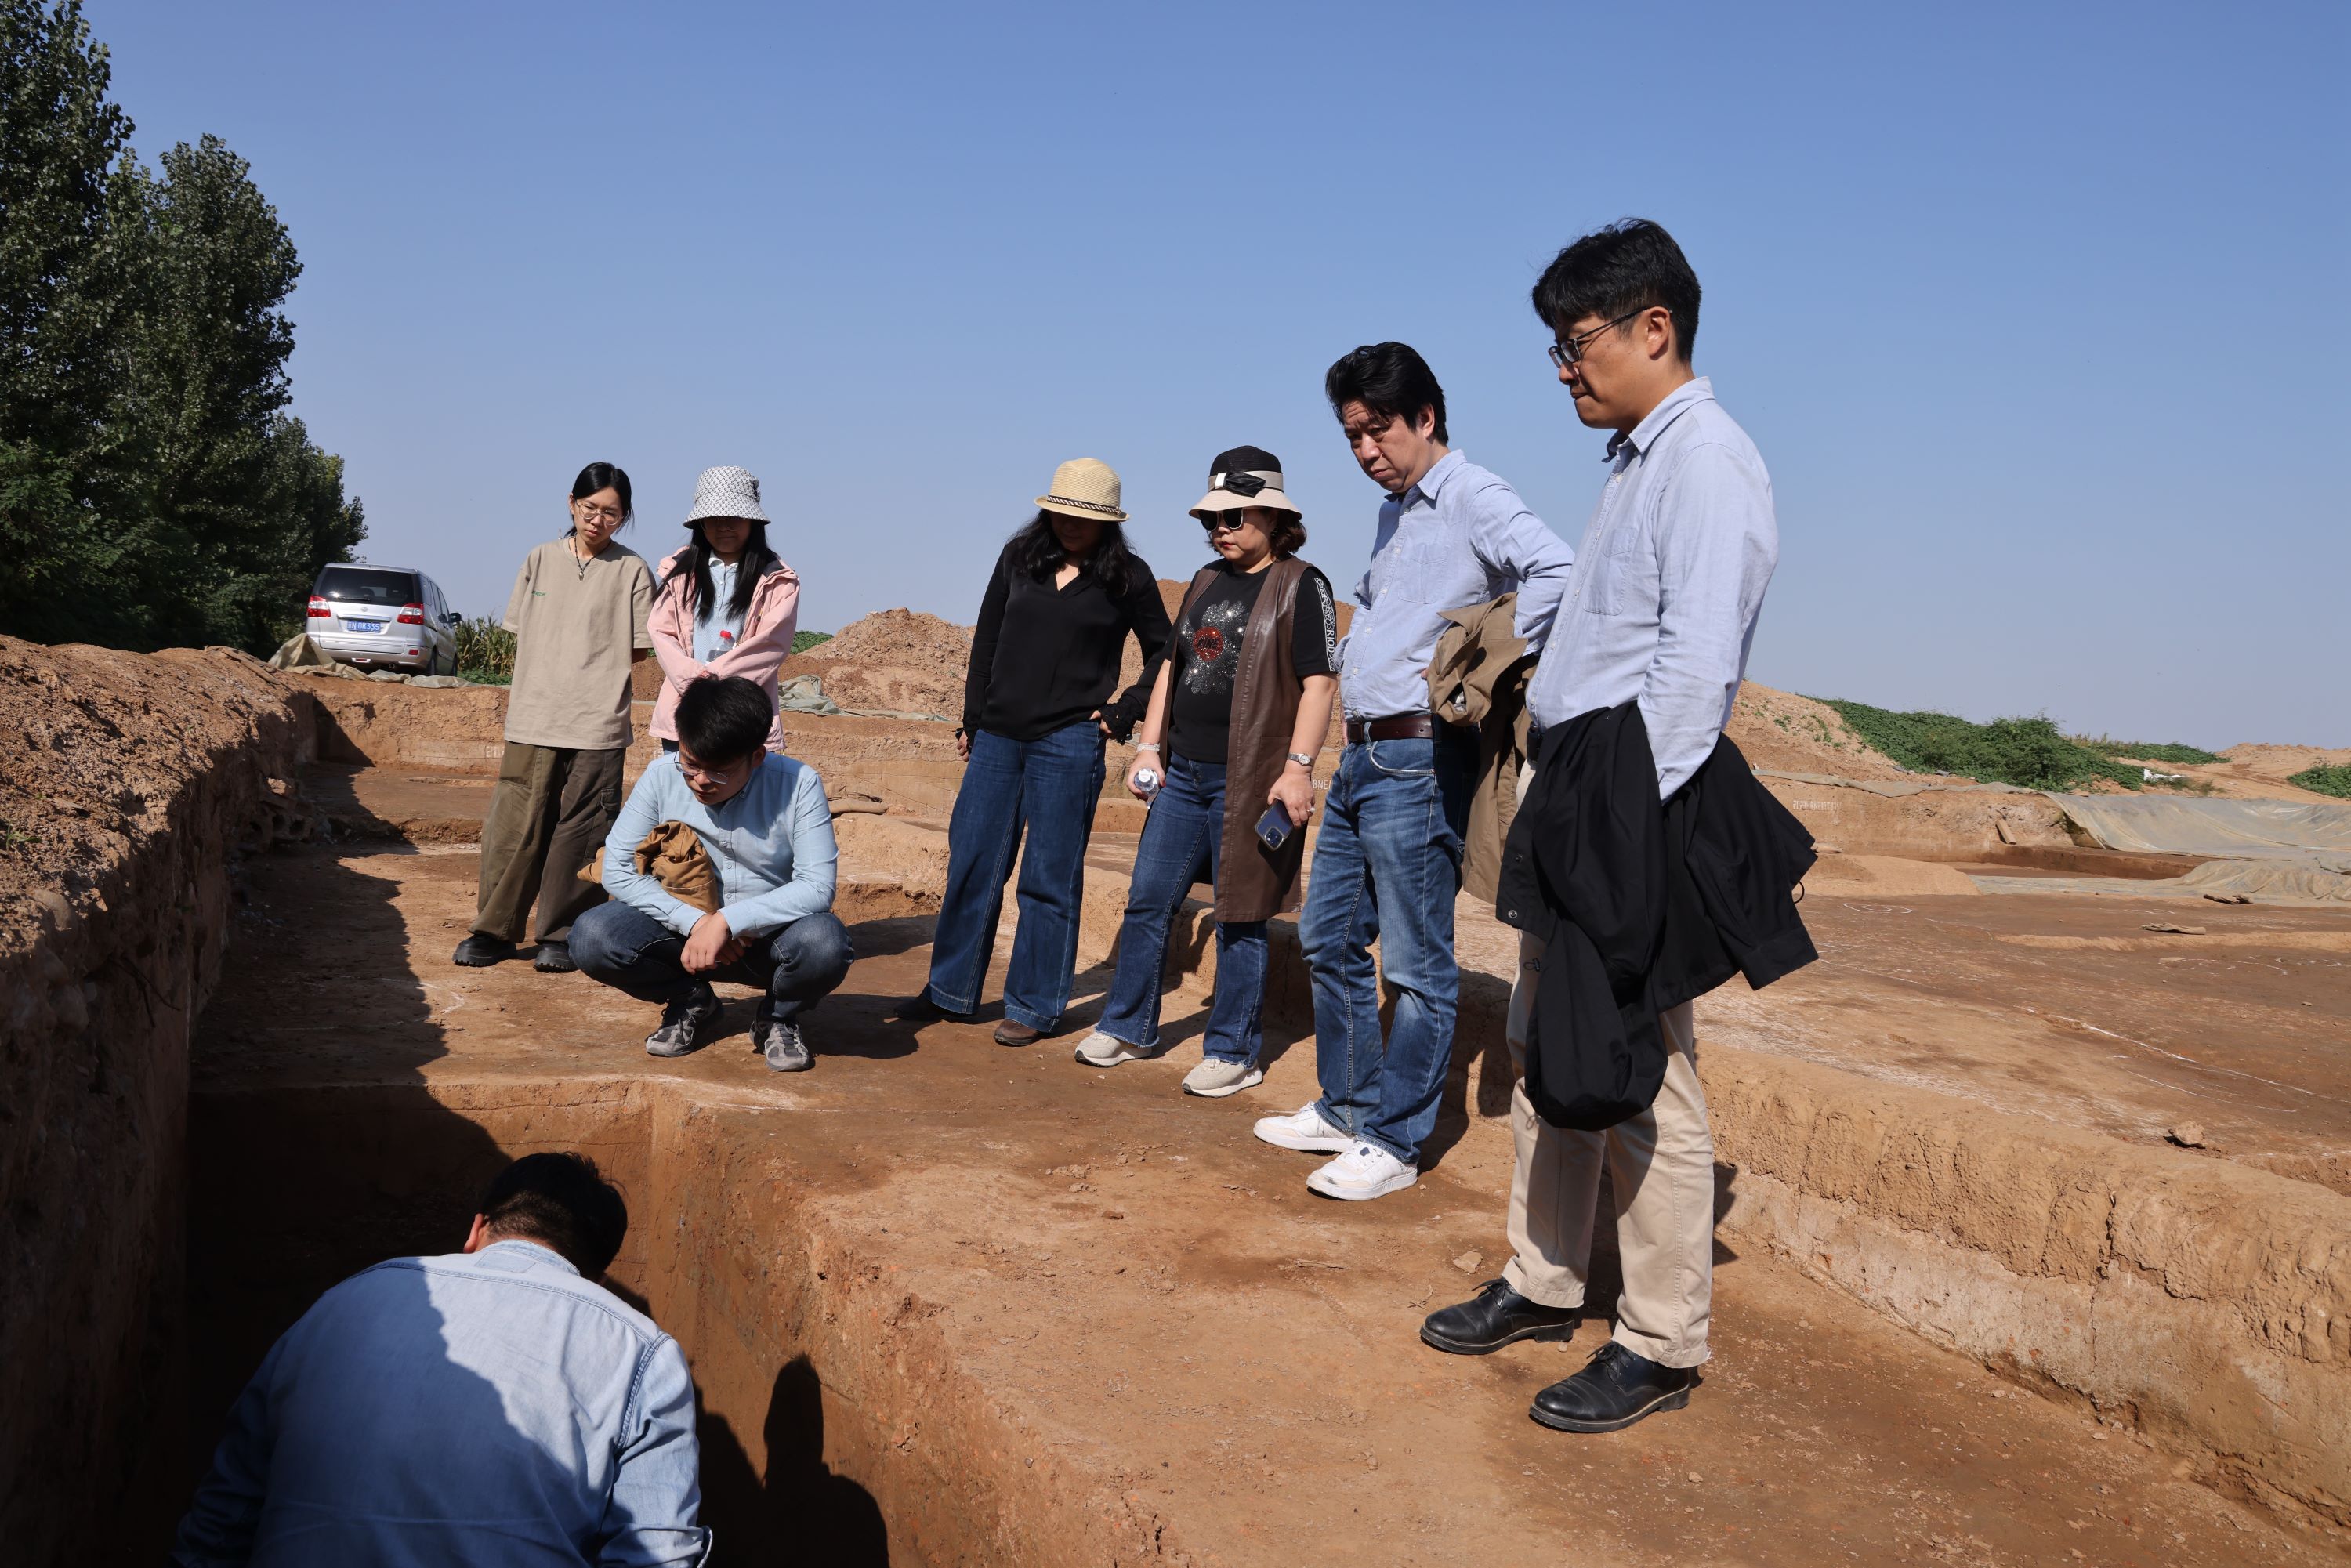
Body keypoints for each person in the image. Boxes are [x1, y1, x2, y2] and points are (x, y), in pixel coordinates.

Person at [1420, 219, 1782, 1433]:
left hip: (1631, 804)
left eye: (1576, 344)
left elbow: (1695, 670)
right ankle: (1543, 1279)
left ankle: (1662, 1342)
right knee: (1550, 1045)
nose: (1565, 369)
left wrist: (1621, 830)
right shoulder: (1639, 459)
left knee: (1640, 1075)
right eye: (1558, 349)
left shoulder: (1708, 463)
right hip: (1582, 787)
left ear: (1654, 329)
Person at [1253, 344, 1574, 1200]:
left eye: (1378, 430)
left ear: (1426, 417)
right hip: (1362, 755)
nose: (1366, 450)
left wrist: (1485, 659)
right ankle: (1349, 1106)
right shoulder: (1395, 511)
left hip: (1421, 759)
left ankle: (1395, 1143)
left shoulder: (1473, 495)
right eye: (1352, 436)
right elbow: (1378, 614)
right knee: (1327, 936)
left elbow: (1558, 570)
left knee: (1416, 962)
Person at [172, 1153, 708, 1566]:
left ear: (476, 1229)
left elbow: (223, 1518)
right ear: (596, 1277)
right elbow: (656, 1554)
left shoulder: (341, 1301)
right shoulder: (642, 1352)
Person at [1074, 446, 1339, 1096]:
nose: (1220, 529)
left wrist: (1298, 768)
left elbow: (1320, 683)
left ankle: (1233, 1050)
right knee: (1147, 900)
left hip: (1251, 781)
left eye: (1233, 517)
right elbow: (1172, 664)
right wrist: (1148, 745)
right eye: (1211, 519)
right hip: (1185, 774)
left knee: (1240, 914)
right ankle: (1129, 1025)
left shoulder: (1303, 584)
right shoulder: (1203, 580)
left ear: (1273, 517)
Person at [900, 458, 1172, 1045]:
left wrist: (1123, 711)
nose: (1069, 524)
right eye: (1061, 512)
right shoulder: (1018, 558)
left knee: (1049, 876)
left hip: (1070, 740)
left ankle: (1034, 1004)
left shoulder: (1128, 577)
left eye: (1083, 516)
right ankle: (950, 990)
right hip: (998, 736)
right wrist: (973, 718)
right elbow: (987, 639)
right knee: (973, 863)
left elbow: (1166, 652)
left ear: (1107, 522)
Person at [570, 675, 851, 1072]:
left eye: (719, 771)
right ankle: (692, 1001)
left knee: (825, 944)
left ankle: (777, 1017)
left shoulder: (799, 784)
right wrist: (698, 923)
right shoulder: (661, 775)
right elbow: (617, 868)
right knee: (592, 936)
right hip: (683, 940)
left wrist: (730, 922)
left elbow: (817, 887)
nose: (701, 781)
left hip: (767, 942)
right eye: (691, 764)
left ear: (757, 756)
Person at [453, 462, 655, 975]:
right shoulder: (539, 559)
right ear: (571, 503)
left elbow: (637, 650)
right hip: (534, 715)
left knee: (583, 831)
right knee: (514, 825)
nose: (598, 519)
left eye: (611, 513)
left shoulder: (633, 571)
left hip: (598, 722)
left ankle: (562, 935)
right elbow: (525, 631)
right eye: (590, 508)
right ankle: (493, 930)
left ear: (624, 517)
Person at [648, 465, 800, 754]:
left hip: (744, 717)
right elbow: (661, 632)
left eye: (733, 517)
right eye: (713, 519)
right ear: (701, 524)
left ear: (752, 521)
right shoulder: (678, 572)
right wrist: (696, 683)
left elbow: (771, 643)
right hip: (684, 714)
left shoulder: (778, 579)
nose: (723, 526)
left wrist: (713, 683)